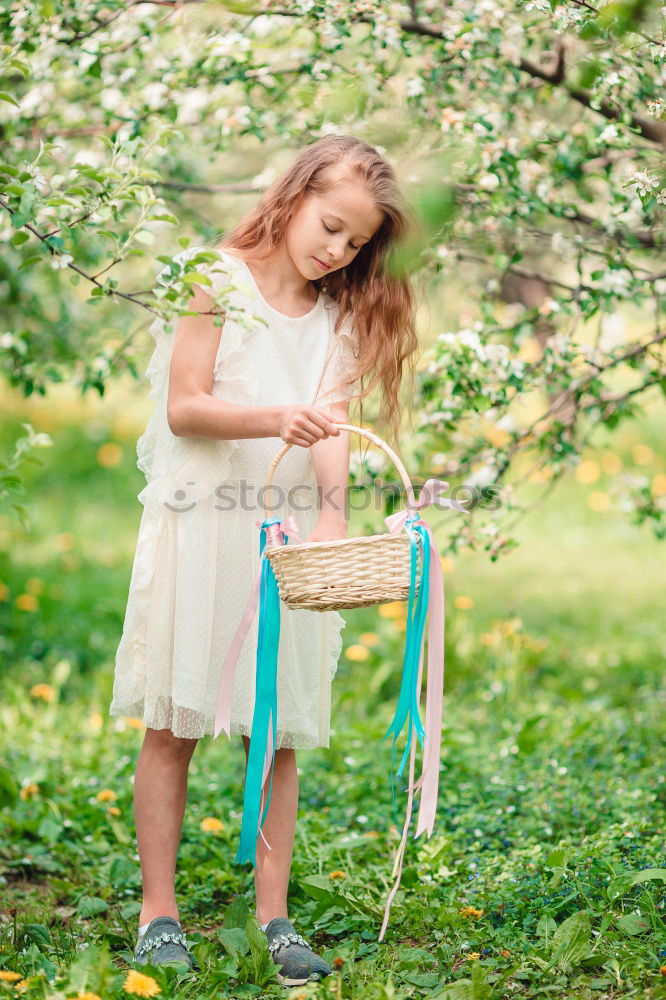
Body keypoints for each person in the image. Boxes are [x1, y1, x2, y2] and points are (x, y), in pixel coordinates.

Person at [109, 133, 419, 986]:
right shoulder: (214, 280)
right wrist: (274, 417)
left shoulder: (336, 319)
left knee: (277, 733)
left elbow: (331, 426)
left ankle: (273, 918)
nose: (336, 251)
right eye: (329, 226)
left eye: (354, 243)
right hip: (207, 525)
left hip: (282, 544)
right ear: (293, 197)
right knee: (175, 725)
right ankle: (158, 911)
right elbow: (185, 407)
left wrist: (330, 519)